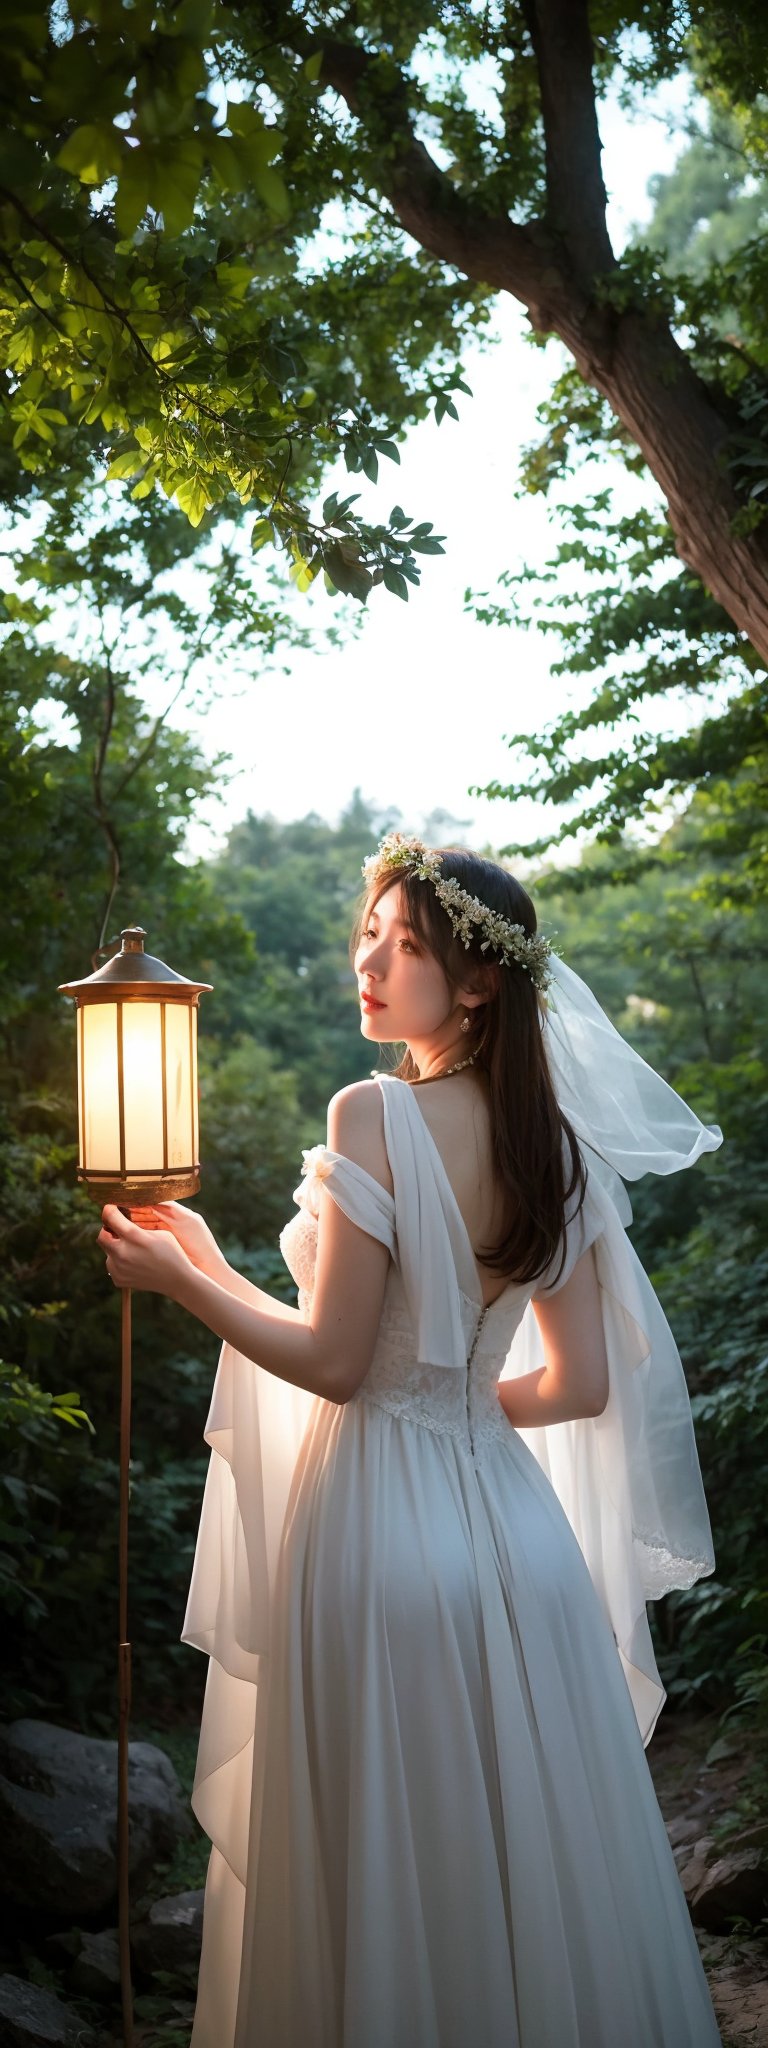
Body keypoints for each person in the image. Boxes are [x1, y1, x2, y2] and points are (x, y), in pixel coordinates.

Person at [98, 834, 724, 2048]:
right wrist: (439, 1402)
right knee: (520, 1863)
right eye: (368, 937)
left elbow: (339, 1364)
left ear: (478, 982)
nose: (370, 963)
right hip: (517, 1548)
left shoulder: (374, 1109)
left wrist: (182, 1281)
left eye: (408, 946)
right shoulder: (559, 1142)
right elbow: (581, 1382)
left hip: (376, 1535)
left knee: (378, 1853)